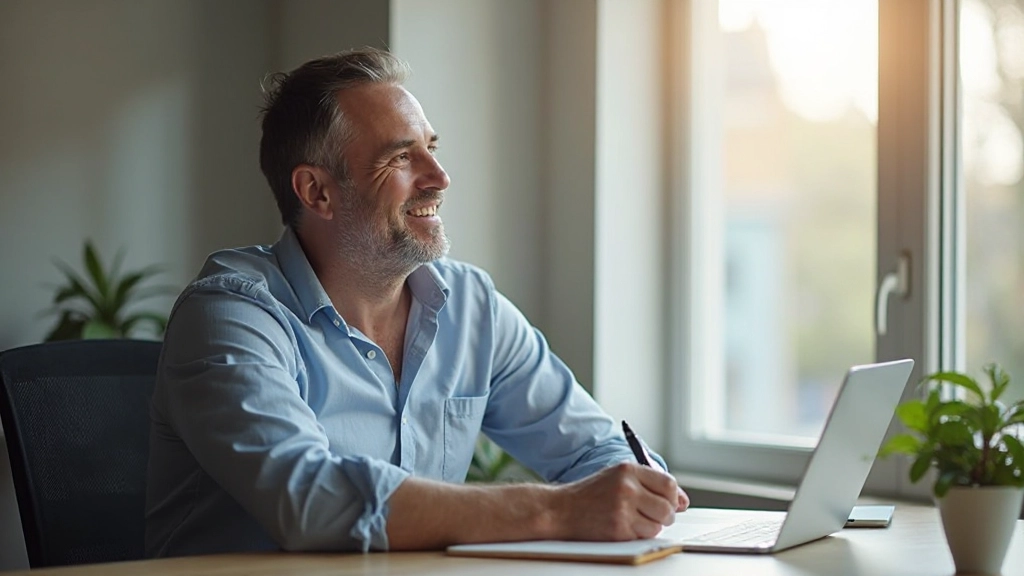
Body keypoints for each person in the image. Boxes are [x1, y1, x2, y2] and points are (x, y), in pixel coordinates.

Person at [144, 47, 689, 557]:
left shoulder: (471, 308)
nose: (440, 177)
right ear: (317, 192)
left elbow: (596, 451)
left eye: (431, 147)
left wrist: (631, 494)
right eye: (401, 158)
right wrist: (555, 510)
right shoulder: (231, 314)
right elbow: (308, 499)